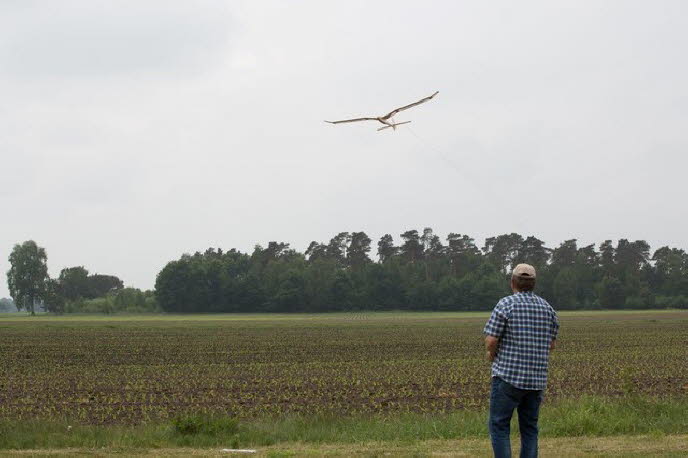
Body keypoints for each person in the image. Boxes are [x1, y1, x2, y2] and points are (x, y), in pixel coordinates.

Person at [483, 263, 559, 458]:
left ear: (513, 282)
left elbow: (491, 340)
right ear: (533, 284)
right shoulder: (547, 308)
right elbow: (551, 345)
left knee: (499, 426)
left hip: (508, 377)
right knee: (530, 429)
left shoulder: (505, 304)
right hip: (536, 380)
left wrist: (492, 356)